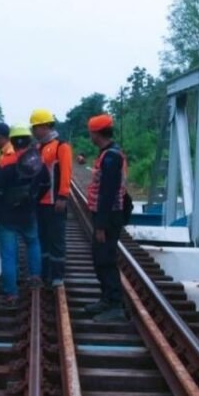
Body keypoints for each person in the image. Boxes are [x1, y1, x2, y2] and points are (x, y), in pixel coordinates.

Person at [0, 124, 49, 305]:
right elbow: (46, 184)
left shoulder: (5, 163)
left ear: (12, 141)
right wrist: (35, 200)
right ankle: (35, 277)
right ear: (29, 141)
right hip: (28, 214)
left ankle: (11, 293)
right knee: (33, 242)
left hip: (6, 217)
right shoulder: (39, 162)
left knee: (9, 255)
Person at [84, 114, 127, 322]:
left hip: (109, 217)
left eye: (90, 133)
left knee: (106, 260)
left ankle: (115, 304)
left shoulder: (111, 157)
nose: (90, 136)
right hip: (106, 216)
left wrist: (100, 225)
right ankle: (106, 299)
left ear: (96, 133)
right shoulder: (107, 154)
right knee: (99, 259)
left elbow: (107, 194)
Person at [30, 108, 73, 287]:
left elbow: (66, 172)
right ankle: (45, 272)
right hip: (40, 202)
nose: (33, 131)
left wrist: (63, 196)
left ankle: (57, 276)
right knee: (42, 239)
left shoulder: (61, 147)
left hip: (55, 202)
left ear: (46, 126)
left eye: (36, 127)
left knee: (56, 240)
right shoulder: (38, 148)